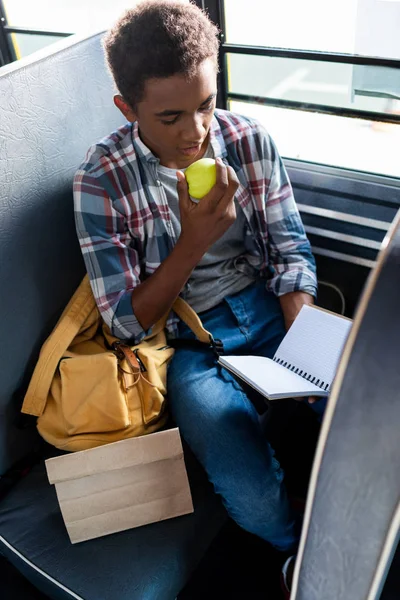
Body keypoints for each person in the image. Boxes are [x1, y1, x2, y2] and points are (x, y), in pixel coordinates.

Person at [73, 0, 317, 587]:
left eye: (206, 104)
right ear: (127, 108)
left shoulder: (249, 139)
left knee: (371, 412)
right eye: (171, 116)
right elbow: (126, 325)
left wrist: (309, 345)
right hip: (187, 346)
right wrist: (191, 243)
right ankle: (298, 561)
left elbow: (290, 256)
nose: (196, 132)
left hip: (265, 308)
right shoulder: (100, 180)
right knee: (252, 494)